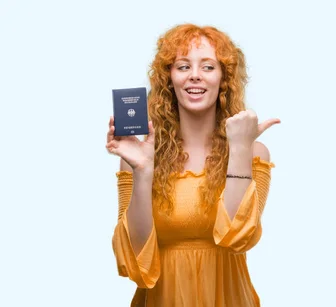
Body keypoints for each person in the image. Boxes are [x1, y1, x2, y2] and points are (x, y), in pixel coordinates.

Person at [105, 23, 279, 307]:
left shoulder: (252, 151)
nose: (195, 76)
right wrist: (143, 171)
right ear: (168, 79)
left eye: (208, 67)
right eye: (183, 66)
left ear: (224, 78)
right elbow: (137, 260)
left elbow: (238, 237)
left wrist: (239, 147)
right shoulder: (137, 157)